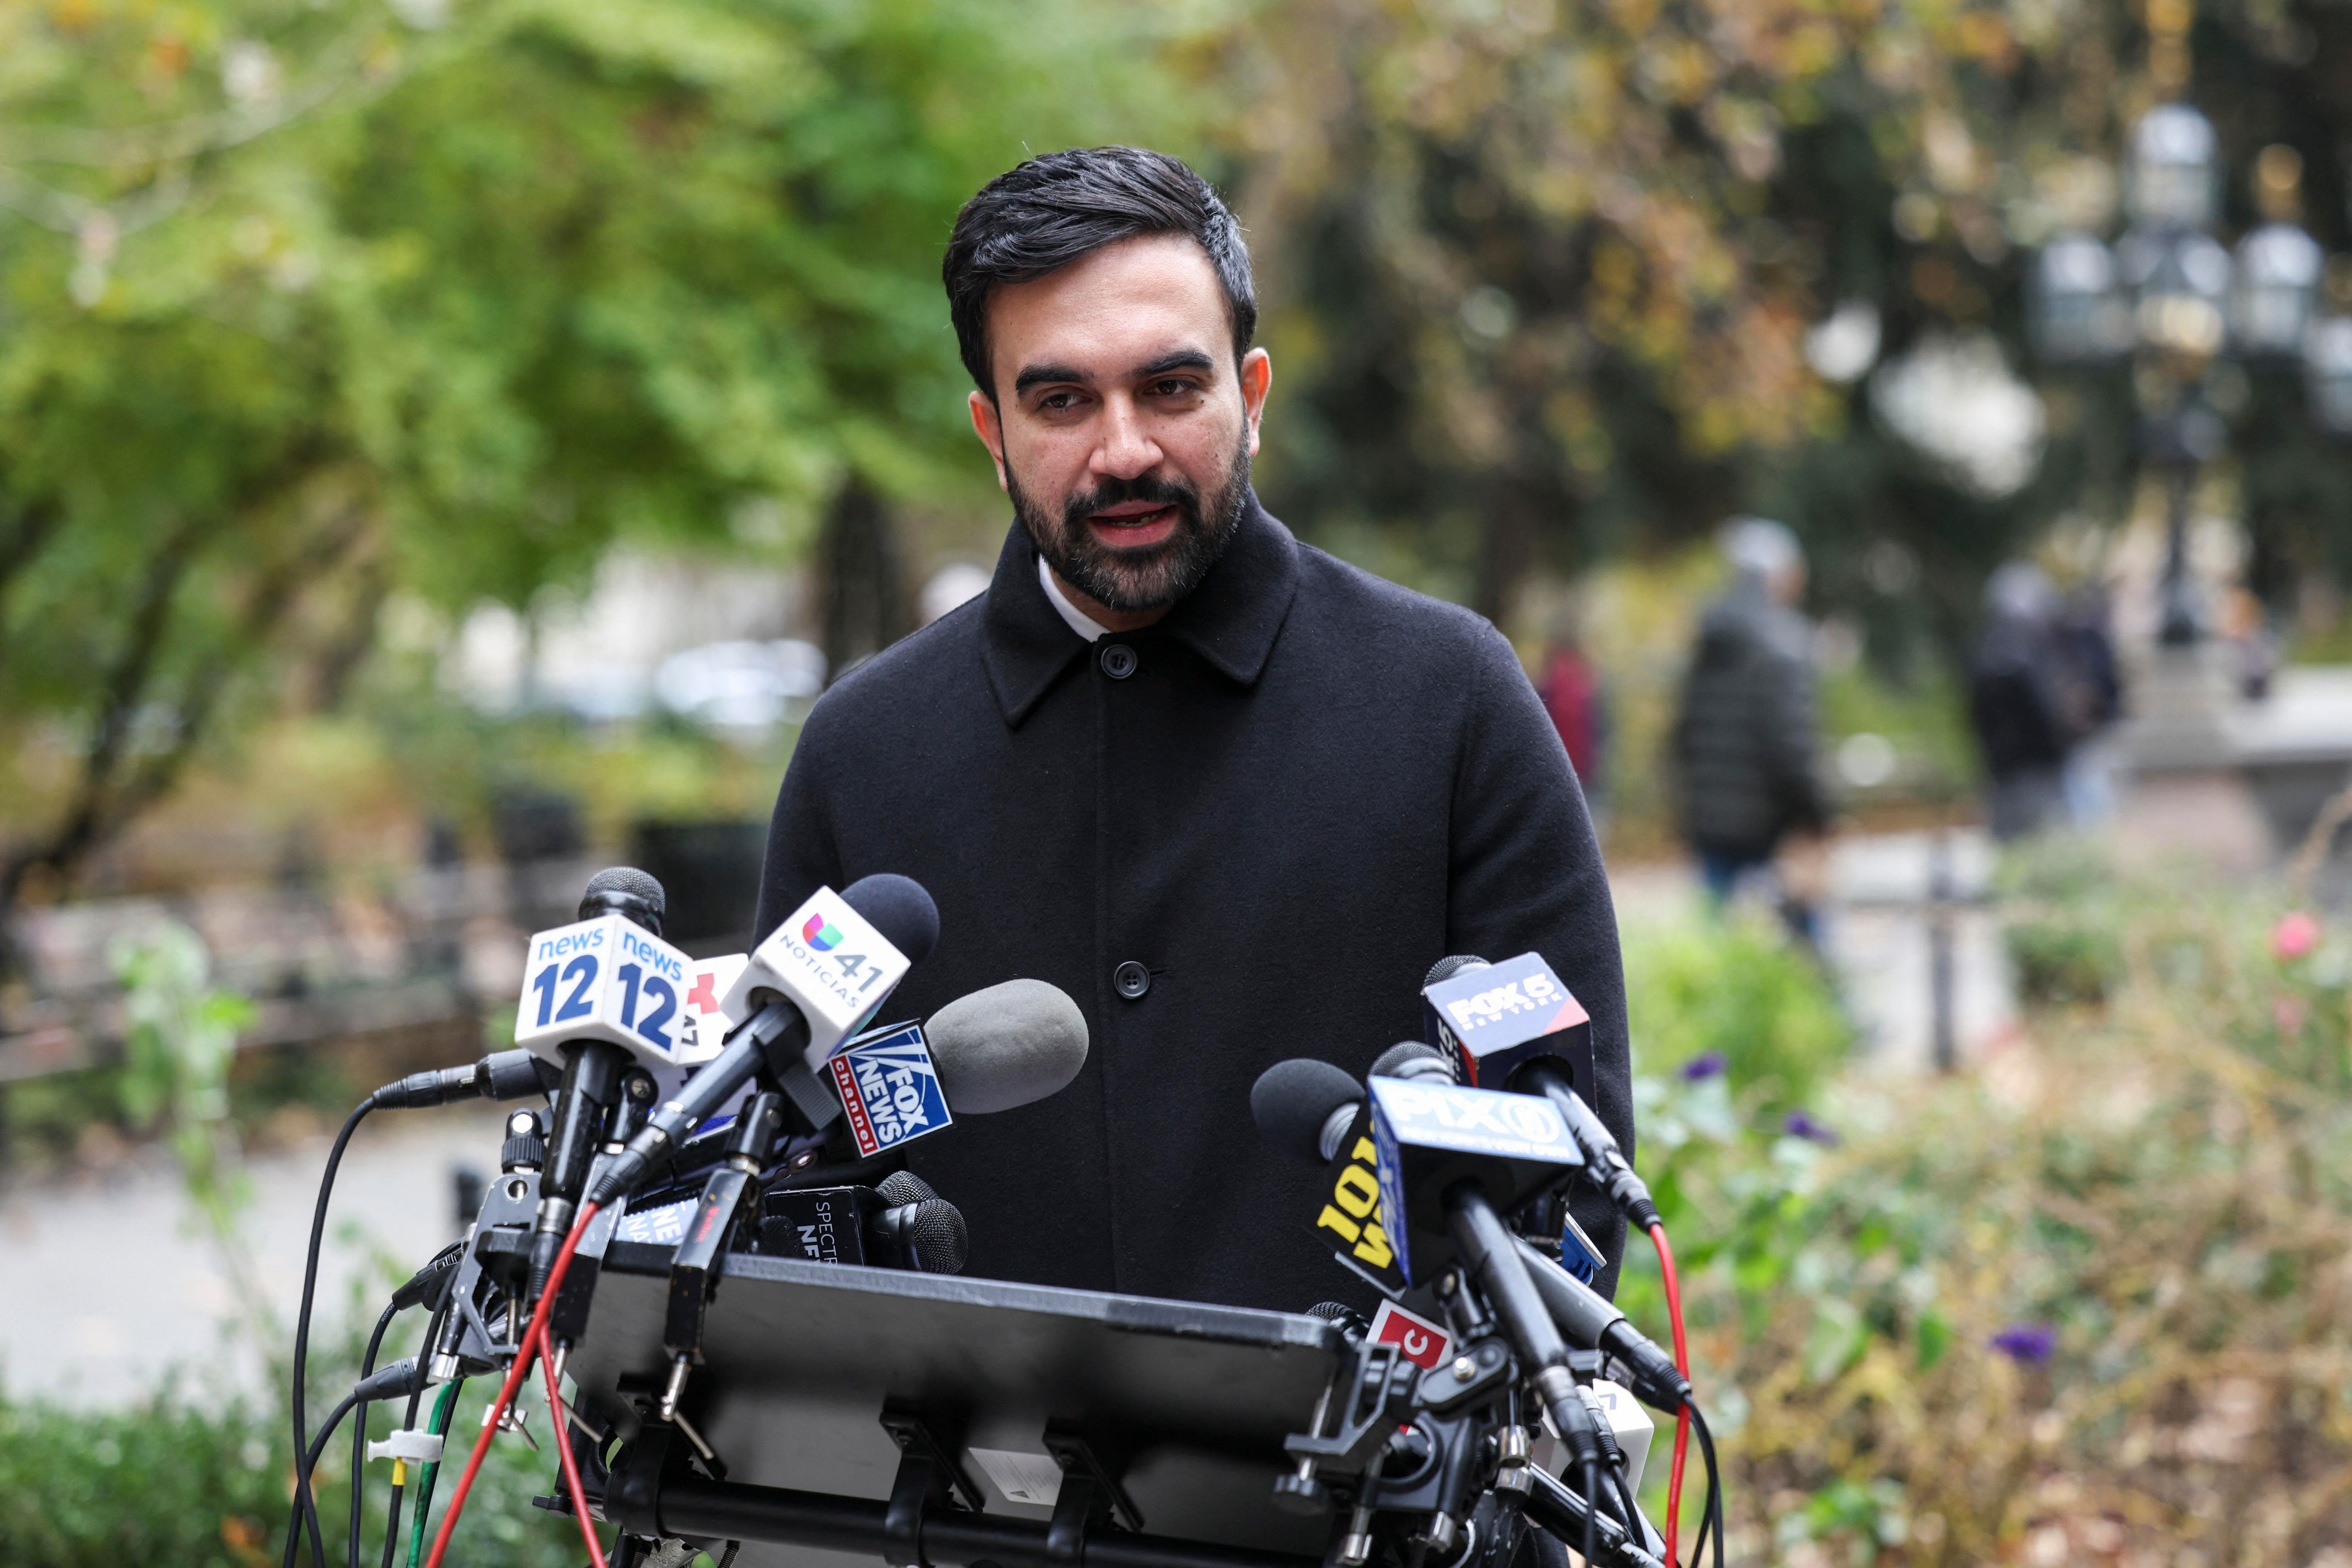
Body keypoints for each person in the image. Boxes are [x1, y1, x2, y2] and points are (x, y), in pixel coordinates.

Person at [752, 147, 1631, 1312]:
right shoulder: (862, 752)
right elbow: (785, 1165)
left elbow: (1571, 1173)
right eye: (1062, 400)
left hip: (1375, 1478)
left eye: (1170, 388)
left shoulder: (1450, 699)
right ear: (991, 429)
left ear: (1251, 396)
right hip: (958, 1486)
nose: (1123, 450)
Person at [1669, 517, 1830, 942]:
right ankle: (1827, 1001)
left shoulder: (1708, 638)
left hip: (1711, 821)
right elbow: (1790, 742)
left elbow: (1684, 734)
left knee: (1712, 932)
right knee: (1804, 928)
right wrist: (1815, 814)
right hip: (1770, 822)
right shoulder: (1784, 640)